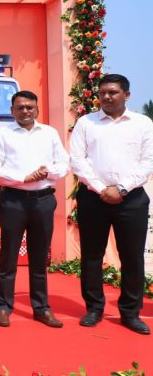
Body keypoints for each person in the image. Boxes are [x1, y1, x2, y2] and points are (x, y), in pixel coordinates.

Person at [70, 73, 153, 335]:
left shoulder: (143, 123)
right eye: (103, 92)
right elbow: (77, 160)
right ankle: (94, 308)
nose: (106, 97)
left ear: (126, 95)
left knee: (132, 257)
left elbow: (148, 161)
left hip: (132, 199)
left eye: (113, 92)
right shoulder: (86, 123)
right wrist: (101, 188)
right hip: (93, 197)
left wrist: (122, 188)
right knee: (92, 256)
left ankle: (130, 312)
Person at [0, 90, 69, 328]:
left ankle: (41, 308)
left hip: (43, 201)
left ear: (37, 109)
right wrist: (23, 178)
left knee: (39, 257)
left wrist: (48, 173)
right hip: (14, 200)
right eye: (20, 107)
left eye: (29, 107)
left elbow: (64, 163)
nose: (25, 111)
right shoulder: (2, 135)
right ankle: (3, 306)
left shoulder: (49, 133)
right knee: (9, 256)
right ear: (12, 111)